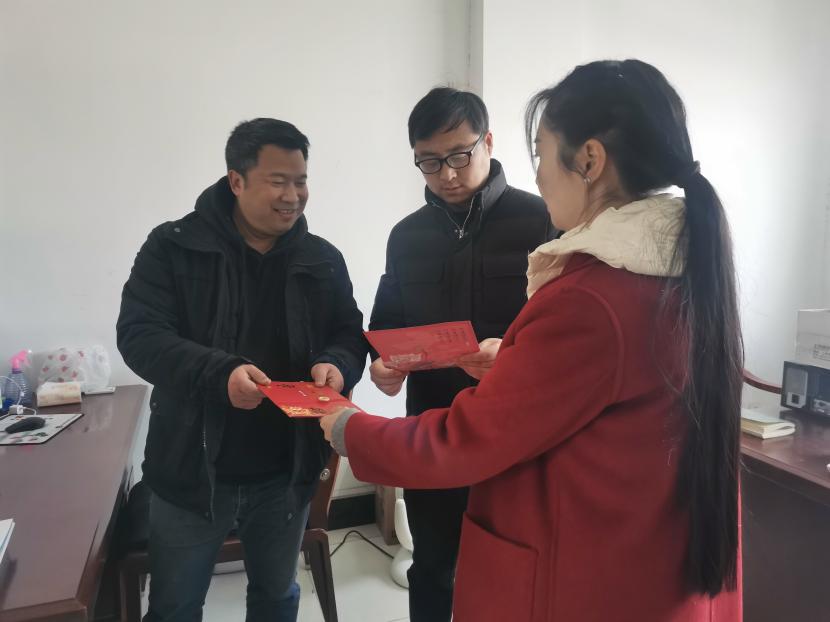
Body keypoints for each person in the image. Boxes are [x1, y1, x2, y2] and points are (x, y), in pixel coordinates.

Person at [322, 60, 743, 621]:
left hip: (534, 489)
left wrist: (348, 428)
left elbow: (487, 426)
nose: (540, 174)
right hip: (606, 520)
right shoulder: (681, 268)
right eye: (429, 161)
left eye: (541, 153)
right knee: (433, 567)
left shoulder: (580, 275)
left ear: (588, 160)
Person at [117, 118, 367, 621]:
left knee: (277, 598)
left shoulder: (321, 259)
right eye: (278, 181)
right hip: (190, 472)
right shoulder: (172, 247)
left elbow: (348, 333)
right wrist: (220, 374)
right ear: (237, 180)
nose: (293, 196)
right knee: (174, 608)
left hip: (286, 473)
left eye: (300, 181)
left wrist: (336, 365)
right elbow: (140, 337)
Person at [367, 87, 555, 621]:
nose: (446, 174)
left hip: (515, 437)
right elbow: (386, 323)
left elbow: (565, 332)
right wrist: (382, 367)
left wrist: (511, 355)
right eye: (429, 161)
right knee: (432, 567)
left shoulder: (541, 222)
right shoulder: (406, 236)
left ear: (488, 142)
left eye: (459, 155)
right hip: (432, 430)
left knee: (511, 572)